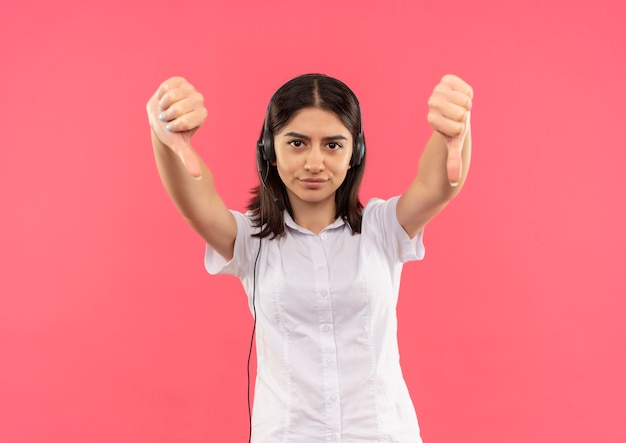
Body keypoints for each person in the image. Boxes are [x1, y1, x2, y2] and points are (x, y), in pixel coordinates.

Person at [147, 73, 473, 442]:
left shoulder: (382, 228)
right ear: (269, 149)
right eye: (297, 143)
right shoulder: (250, 240)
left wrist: (452, 132)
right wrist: (165, 136)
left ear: (355, 152)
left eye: (333, 145)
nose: (315, 162)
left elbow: (435, 187)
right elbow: (197, 202)